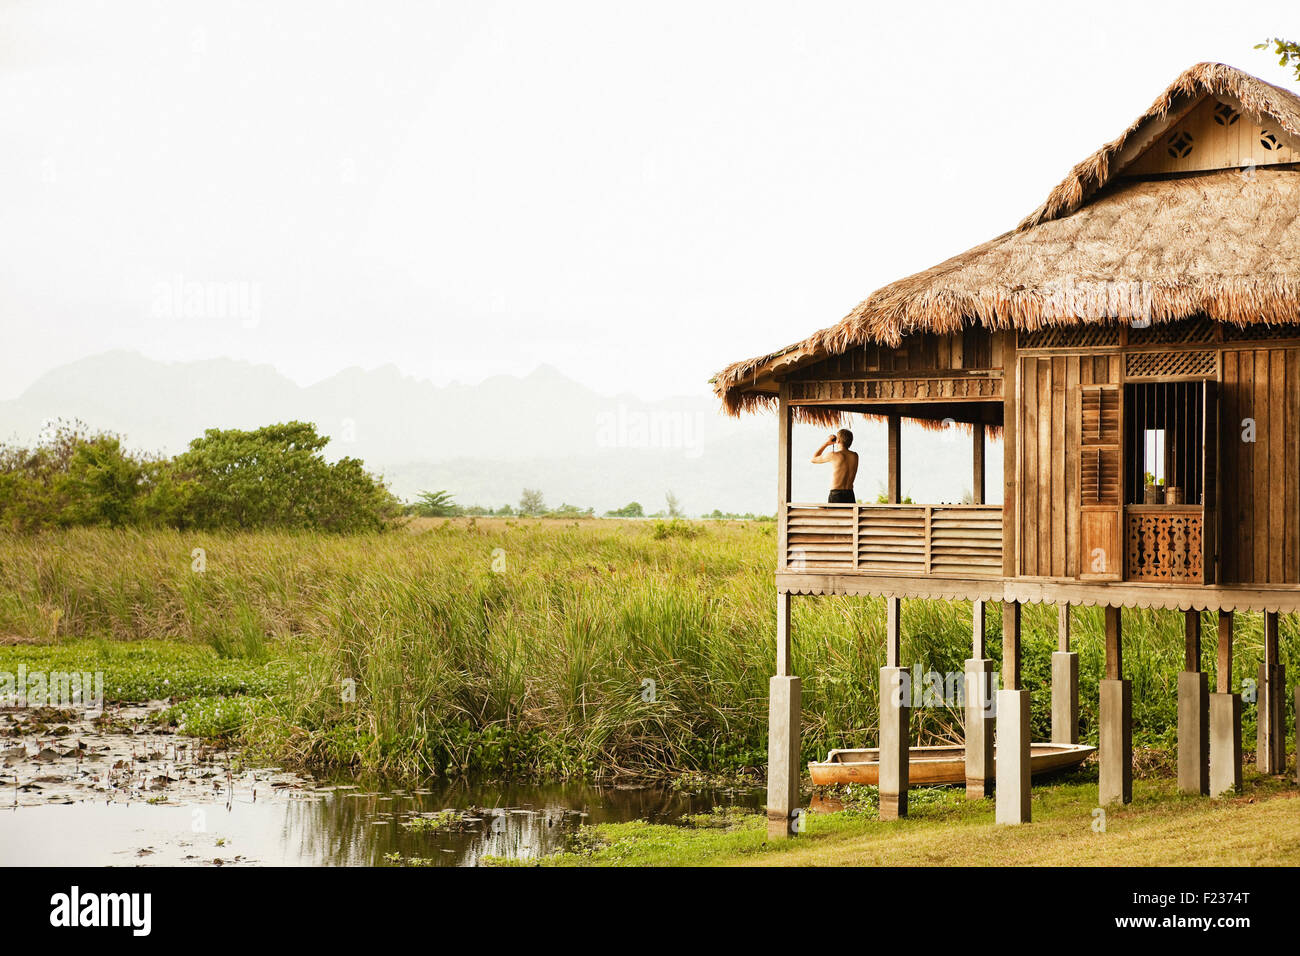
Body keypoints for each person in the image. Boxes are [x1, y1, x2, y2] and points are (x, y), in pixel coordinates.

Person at [811, 429, 858, 503]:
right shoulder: (855, 456)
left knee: (835, 515)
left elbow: (813, 459)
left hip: (836, 495)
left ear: (838, 440)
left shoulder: (833, 455)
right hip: (850, 494)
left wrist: (826, 443)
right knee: (849, 515)